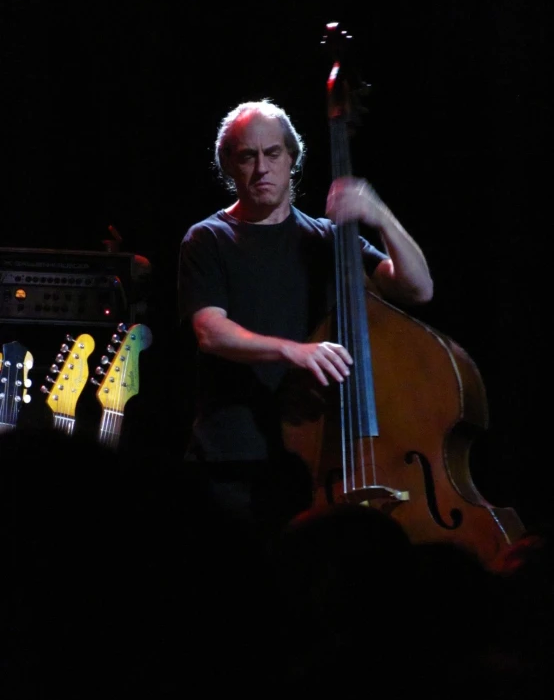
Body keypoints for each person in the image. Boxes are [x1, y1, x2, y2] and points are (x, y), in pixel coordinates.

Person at [177, 98, 433, 539]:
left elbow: (417, 289)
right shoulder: (208, 239)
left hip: (314, 458)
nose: (261, 168)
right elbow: (210, 331)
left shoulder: (328, 239)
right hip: (233, 458)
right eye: (247, 156)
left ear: (292, 158)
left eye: (272, 153)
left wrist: (379, 216)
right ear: (230, 166)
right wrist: (292, 350)